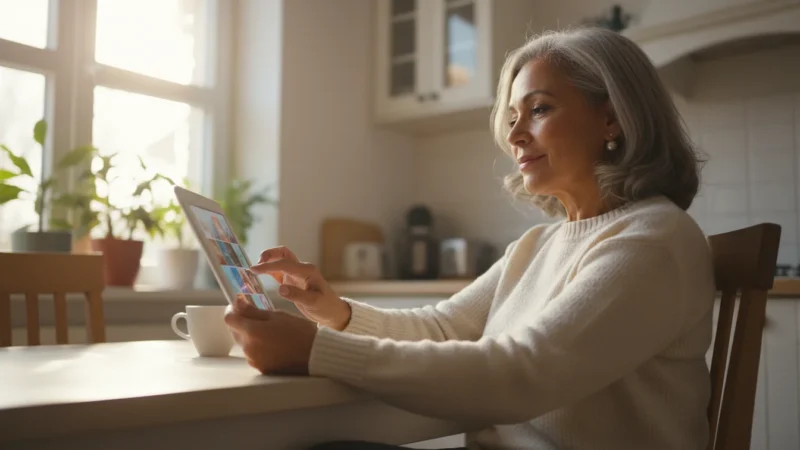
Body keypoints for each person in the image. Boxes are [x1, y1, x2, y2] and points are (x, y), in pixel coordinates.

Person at [224, 27, 714, 450]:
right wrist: (334, 313)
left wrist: (317, 349)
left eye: (539, 109)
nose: (516, 134)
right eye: (513, 117)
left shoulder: (653, 237)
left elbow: (523, 374)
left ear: (611, 118)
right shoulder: (539, 244)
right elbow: (441, 328)